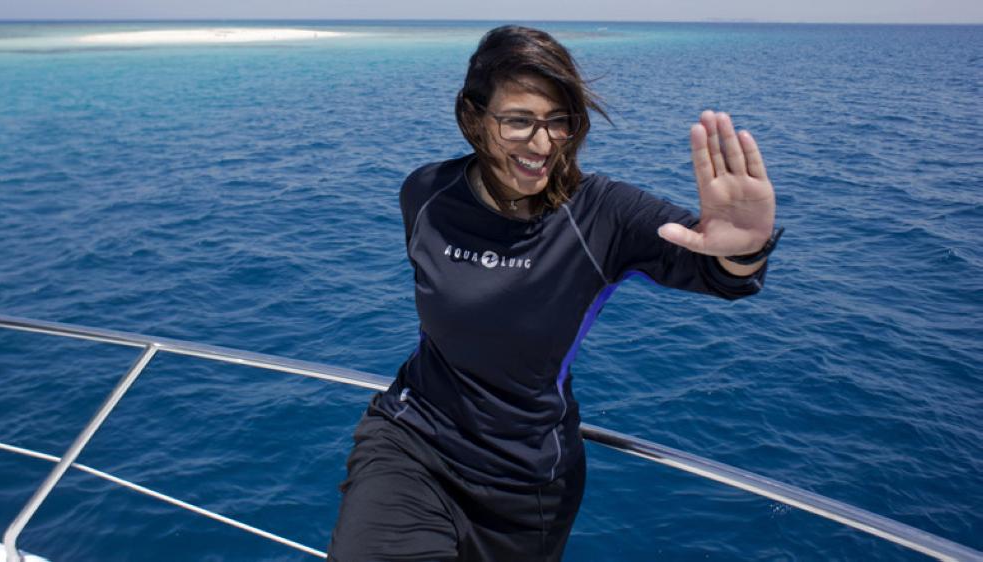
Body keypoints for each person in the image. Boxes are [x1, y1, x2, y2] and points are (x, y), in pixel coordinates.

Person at [327, 25, 779, 561]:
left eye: (558, 122)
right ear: (474, 118)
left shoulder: (601, 214)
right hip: (411, 441)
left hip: (524, 484)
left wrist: (743, 248)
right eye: (518, 121)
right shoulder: (427, 194)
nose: (542, 145)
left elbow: (717, 272)